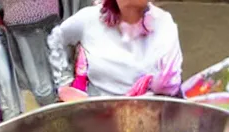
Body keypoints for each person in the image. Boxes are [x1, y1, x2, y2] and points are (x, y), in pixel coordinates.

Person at [47, 0, 183, 98]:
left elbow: (171, 86)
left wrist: (156, 83)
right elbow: (55, 40)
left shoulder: (163, 23)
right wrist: (63, 84)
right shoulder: (89, 19)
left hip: (146, 114)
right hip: (98, 115)